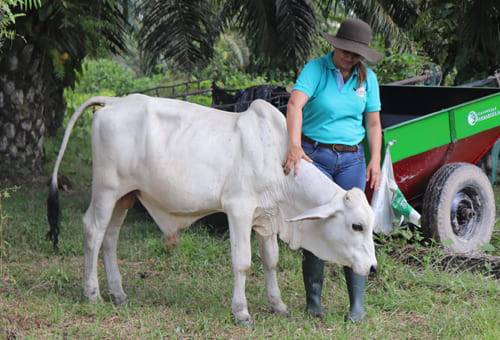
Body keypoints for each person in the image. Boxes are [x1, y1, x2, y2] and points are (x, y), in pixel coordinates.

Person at [282, 18, 383, 322]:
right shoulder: (316, 69)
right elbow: (295, 105)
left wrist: (374, 159)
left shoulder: (368, 80)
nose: (348, 57)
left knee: (357, 225)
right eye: (344, 50)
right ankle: (314, 302)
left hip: (351, 161)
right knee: (317, 225)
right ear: (335, 45)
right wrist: (294, 145)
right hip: (316, 157)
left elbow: (374, 122)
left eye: (355, 54)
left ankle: (357, 306)